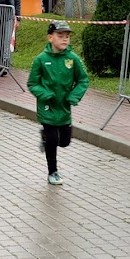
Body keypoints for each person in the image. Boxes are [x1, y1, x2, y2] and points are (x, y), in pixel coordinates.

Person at [26, 20, 89, 186]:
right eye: (60, 35)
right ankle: (52, 172)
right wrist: (46, 94)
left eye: (67, 36)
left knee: (65, 141)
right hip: (47, 107)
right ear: (50, 37)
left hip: (64, 107)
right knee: (53, 140)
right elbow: (32, 83)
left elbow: (83, 80)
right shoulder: (41, 59)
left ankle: (45, 137)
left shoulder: (73, 59)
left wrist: (74, 96)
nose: (64, 39)